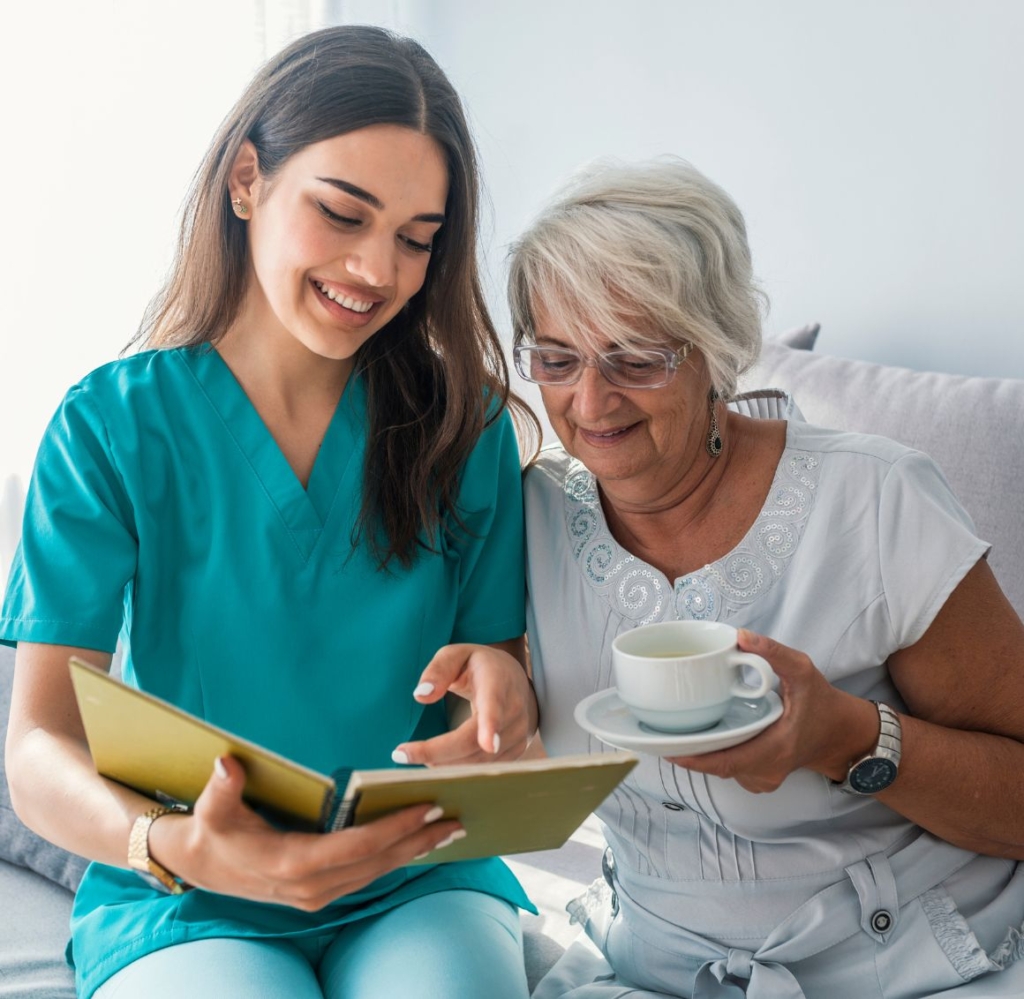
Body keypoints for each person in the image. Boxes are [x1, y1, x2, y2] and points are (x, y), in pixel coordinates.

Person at [1, 25, 541, 999]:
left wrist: (501, 688)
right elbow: (40, 746)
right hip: (185, 885)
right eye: (343, 214)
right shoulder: (111, 427)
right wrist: (166, 844)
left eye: (417, 240)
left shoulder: (466, 429)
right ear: (246, 181)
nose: (378, 270)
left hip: (414, 874)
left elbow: (496, 678)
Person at [509, 158, 1024, 998]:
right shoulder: (524, 516)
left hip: (914, 966)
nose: (591, 402)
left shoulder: (876, 500)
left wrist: (845, 738)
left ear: (715, 350)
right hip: (651, 969)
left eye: (635, 358)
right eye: (557, 358)